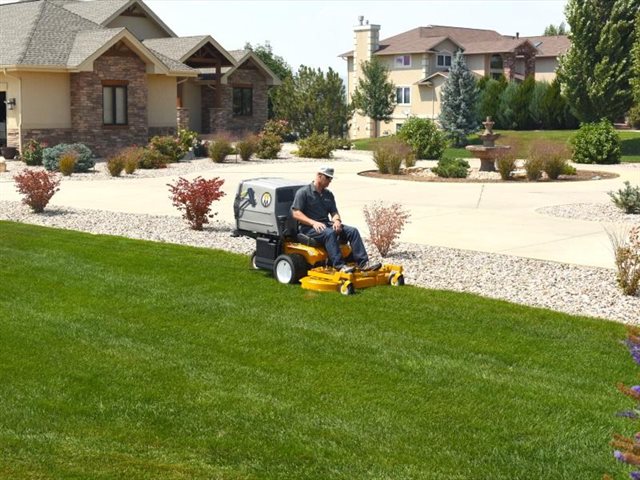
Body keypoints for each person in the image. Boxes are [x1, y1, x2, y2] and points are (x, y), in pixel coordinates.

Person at [291, 166, 381, 273]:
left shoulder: (328, 194)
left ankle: (363, 263)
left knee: (352, 231)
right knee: (329, 233)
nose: (330, 181)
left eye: (331, 179)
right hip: (308, 228)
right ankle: (340, 266)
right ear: (319, 176)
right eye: (328, 178)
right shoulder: (303, 192)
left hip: (325, 225)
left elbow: (334, 212)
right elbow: (296, 213)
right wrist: (313, 222)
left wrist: (337, 221)